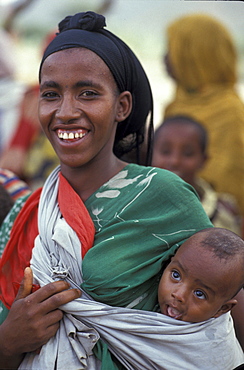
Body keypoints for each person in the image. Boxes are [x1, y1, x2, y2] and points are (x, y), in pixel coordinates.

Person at [0, 11, 241, 369]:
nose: (65, 111)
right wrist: (8, 342)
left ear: (122, 106)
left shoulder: (162, 197)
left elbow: (219, 328)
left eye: (88, 93)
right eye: (51, 94)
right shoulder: (29, 209)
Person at [163, 13, 244, 219]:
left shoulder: (230, 112)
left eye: (174, 49)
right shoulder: (176, 105)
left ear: (194, 55)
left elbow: (229, 186)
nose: (165, 58)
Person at [152, 116, 242, 236]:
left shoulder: (224, 211)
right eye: (165, 151)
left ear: (204, 161)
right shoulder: (135, 206)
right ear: (150, 154)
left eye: (188, 153)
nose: (175, 161)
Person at [158, 227, 244, 323]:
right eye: (176, 275)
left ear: (222, 309)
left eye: (199, 294)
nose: (179, 295)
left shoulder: (215, 337)